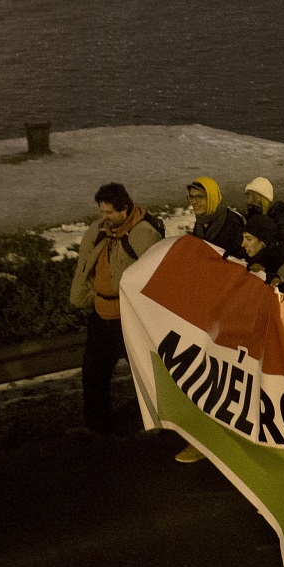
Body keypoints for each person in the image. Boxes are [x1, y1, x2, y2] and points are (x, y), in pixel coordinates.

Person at [69, 182, 165, 438]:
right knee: (93, 373)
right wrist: (86, 296)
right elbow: (84, 265)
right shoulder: (99, 229)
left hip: (129, 319)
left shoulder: (145, 235)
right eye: (102, 212)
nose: (104, 218)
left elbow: (156, 279)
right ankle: (96, 426)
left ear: (125, 209)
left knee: (143, 376)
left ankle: (153, 424)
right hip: (101, 315)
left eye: (109, 212)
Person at [186, 178, 246, 258]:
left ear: (212, 197)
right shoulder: (200, 222)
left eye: (199, 197)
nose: (194, 202)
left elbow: (241, 259)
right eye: (191, 197)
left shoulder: (232, 223)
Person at [238, 213, 284, 283]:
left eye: (249, 239)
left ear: (263, 242)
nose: (243, 244)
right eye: (243, 238)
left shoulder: (283, 263)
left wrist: (268, 275)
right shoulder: (245, 256)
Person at [243, 177, 284, 243]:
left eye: (254, 197)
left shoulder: (282, 218)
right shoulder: (252, 216)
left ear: (264, 199)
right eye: (248, 197)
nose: (250, 201)